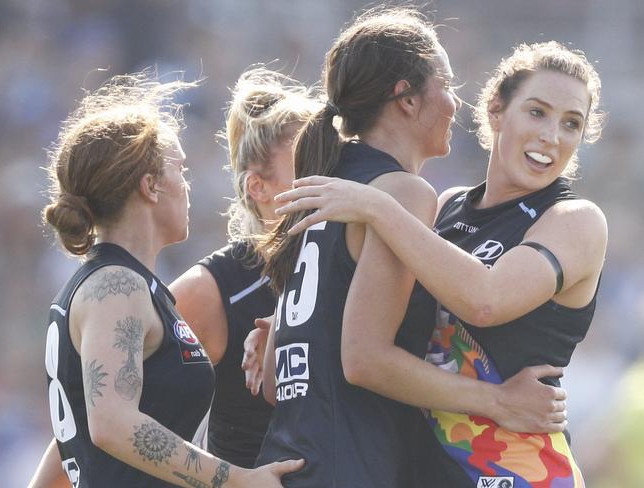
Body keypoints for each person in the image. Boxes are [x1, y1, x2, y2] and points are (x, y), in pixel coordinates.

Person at [255, 8, 568, 488]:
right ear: (405, 97)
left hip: (291, 460)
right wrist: (500, 400)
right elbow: (364, 359)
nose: (455, 102)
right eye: (446, 83)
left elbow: (278, 379)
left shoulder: (332, 180)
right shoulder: (403, 192)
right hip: (352, 467)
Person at [31, 72, 302, 488]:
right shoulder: (115, 286)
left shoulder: (131, 285)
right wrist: (238, 480)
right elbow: (112, 424)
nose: (187, 186)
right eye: (181, 170)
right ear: (151, 187)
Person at [169, 67, 320, 468]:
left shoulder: (355, 259)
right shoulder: (215, 289)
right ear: (258, 187)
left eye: (332, 165)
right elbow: (106, 415)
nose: (327, 182)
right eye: (307, 169)